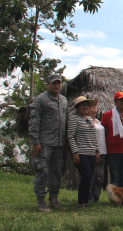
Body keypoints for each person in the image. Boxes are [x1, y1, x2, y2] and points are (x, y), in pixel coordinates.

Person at [28, 73, 68, 212]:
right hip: (43, 143)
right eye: (54, 83)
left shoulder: (63, 100)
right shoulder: (40, 100)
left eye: (59, 83)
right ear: (48, 85)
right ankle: (41, 202)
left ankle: (53, 199)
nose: (57, 85)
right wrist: (35, 142)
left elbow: (66, 121)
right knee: (42, 171)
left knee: (56, 171)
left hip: (59, 143)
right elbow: (34, 121)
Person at [67, 96, 100, 208]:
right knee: (86, 175)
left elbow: (94, 136)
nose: (85, 107)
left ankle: (85, 201)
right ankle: (81, 202)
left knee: (89, 178)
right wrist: (75, 152)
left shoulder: (90, 120)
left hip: (91, 152)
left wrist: (97, 151)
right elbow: (70, 136)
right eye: (83, 105)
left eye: (87, 105)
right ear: (77, 107)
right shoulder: (74, 119)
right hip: (81, 153)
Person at [88, 101, 106, 203]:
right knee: (91, 175)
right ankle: (89, 197)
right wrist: (95, 150)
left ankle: (96, 197)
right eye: (92, 106)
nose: (95, 107)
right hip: (93, 151)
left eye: (95, 106)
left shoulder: (98, 122)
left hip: (102, 151)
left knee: (100, 176)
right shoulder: (87, 121)